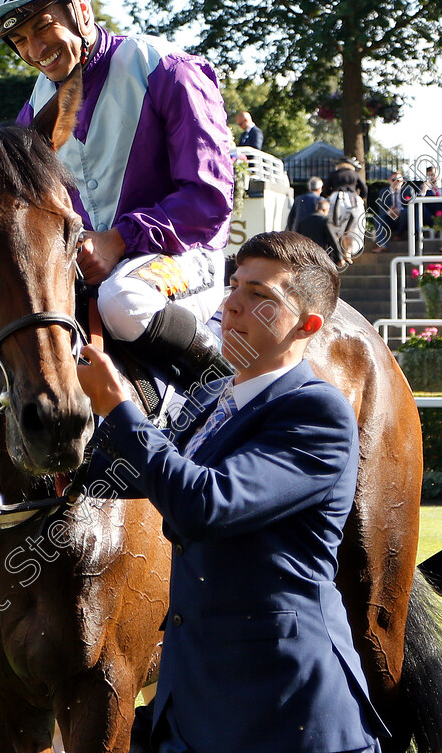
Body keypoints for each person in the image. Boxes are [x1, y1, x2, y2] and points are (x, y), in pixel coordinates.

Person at [77, 231, 387, 753]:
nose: (233, 305)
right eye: (236, 286)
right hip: (197, 703)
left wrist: (119, 410)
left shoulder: (317, 413)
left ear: (307, 325)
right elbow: (145, 472)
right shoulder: (217, 397)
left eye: (261, 297)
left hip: (286, 710)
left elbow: (203, 503)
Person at [0, 0, 234, 383]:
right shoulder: (34, 109)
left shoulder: (166, 69)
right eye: (20, 40)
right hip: (88, 261)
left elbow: (209, 200)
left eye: (43, 28)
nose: (35, 50)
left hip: (185, 255)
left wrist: (119, 240)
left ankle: (226, 386)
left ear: (80, 10)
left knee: (123, 299)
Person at [324, 156, 368, 259]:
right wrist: (363, 198)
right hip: (352, 200)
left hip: (336, 199)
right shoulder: (355, 174)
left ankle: (336, 252)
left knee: (334, 225)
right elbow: (364, 188)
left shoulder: (333, 174)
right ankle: (348, 252)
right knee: (352, 226)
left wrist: (328, 196)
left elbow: (326, 188)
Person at [295, 197, 344, 266]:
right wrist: (340, 258)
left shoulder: (303, 222)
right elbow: (333, 240)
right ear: (325, 210)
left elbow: (297, 239)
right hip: (323, 256)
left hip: (306, 257)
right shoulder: (326, 221)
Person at [371, 172, 407, 254]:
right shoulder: (383, 192)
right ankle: (382, 245)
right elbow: (381, 209)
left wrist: (399, 211)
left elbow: (412, 207)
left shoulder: (407, 191)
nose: (395, 182)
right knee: (378, 218)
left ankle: (398, 234)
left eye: (398, 180)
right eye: (393, 180)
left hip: (404, 219)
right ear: (389, 181)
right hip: (390, 219)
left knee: (405, 212)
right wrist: (389, 212)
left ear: (403, 181)